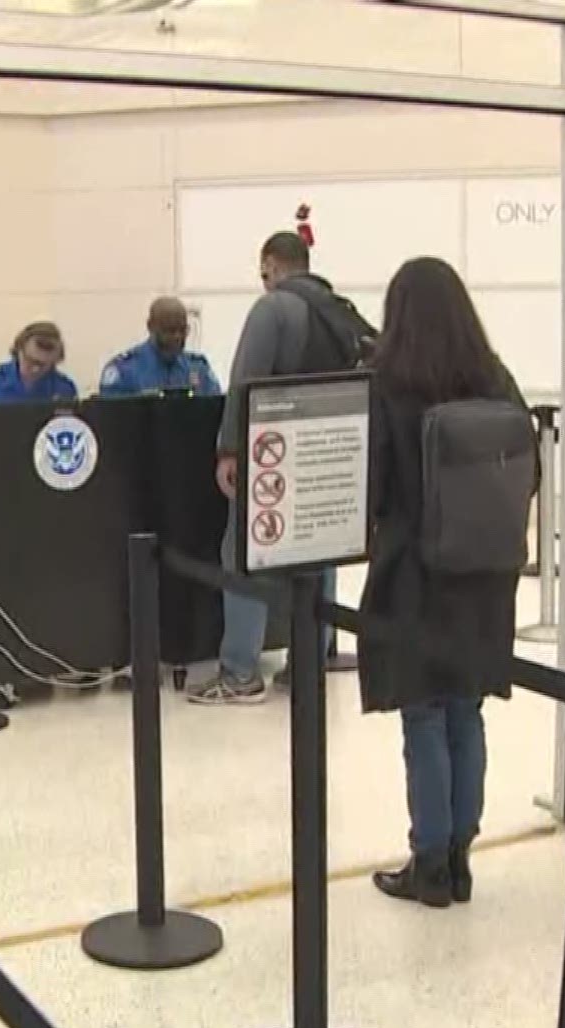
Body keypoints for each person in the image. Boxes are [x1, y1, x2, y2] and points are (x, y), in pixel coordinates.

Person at [358, 258, 530, 908]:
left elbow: (371, 487)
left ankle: (428, 862)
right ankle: (459, 856)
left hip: (415, 571)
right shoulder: (494, 375)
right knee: (467, 709)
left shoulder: (388, 381)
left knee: (423, 716)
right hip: (487, 573)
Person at [187, 231, 353, 706]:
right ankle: (309, 665)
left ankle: (240, 672)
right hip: (329, 454)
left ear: (270, 265)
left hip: (275, 452)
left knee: (244, 553)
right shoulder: (337, 310)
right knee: (319, 553)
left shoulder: (274, 308)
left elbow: (247, 380)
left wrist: (229, 449)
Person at [97, 298, 221, 397]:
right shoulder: (124, 370)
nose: (177, 337)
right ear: (151, 327)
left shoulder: (198, 367)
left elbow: (217, 411)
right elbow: (113, 421)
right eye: (169, 330)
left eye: (182, 330)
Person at [0, 322, 78, 404]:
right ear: (19, 350)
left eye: (43, 365)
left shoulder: (64, 388)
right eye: (30, 361)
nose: (35, 369)